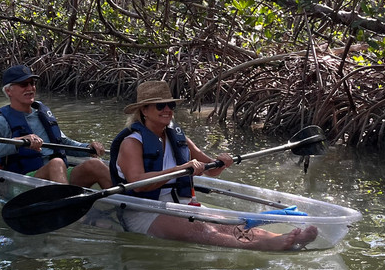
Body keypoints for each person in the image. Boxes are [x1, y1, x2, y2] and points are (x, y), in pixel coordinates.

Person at [109, 81, 318, 250]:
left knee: (231, 224)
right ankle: (269, 245)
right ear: (144, 110)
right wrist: (178, 170)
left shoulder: (177, 137)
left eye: (171, 105)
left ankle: (279, 238)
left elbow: (211, 169)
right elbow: (137, 183)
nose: (168, 110)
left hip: (181, 205)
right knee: (205, 231)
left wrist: (222, 162)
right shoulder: (132, 143)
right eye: (160, 106)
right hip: (144, 211)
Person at [0, 65, 111, 188]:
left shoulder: (42, 114)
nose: (30, 88)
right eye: (23, 84)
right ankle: (68, 213)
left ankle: (129, 208)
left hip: (59, 174)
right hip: (25, 181)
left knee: (95, 164)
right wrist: (18, 142)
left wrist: (88, 148)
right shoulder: (1, 121)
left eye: (32, 83)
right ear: (8, 91)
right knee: (56, 163)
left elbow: (64, 143)